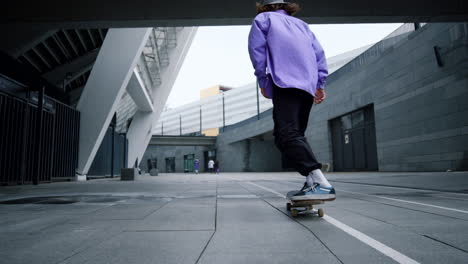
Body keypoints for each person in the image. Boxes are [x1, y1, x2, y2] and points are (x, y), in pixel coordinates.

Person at [248, 0, 335, 201]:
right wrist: (320, 84)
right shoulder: (302, 25)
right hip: (307, 86)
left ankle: (320, 182)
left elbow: (257, 52)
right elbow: (319, 55)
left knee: (286, 134)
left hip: (285, 82)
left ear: (264, 6)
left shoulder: (263, 19)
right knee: (294, 135)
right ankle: (311, 183)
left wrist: (262, 79)